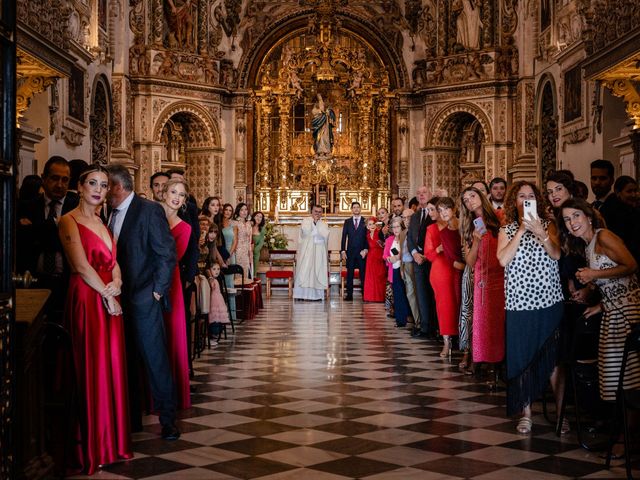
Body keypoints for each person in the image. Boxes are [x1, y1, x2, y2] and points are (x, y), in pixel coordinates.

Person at [59, 165, 132, 474]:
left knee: (111, 366)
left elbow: (114, 263)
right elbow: (80, 266)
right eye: (93, 183)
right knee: (91, 367)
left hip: (108, 300)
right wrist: (108, 294)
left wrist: (118, 283)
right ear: (80, 186)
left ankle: (111, 443)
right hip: (88, 299)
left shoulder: (104, 222)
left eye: (104, 185)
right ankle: (91, 444)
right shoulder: (68, 220)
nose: (99, 189)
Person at [106, 164, 179, 441]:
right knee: (126, 359)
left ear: (118, 186)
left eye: (106, 185)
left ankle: (168, 419)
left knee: (154, 359)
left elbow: (165, 253)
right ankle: (131, 416)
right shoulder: (106, 212)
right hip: (116, 298)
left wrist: (157, 292)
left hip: (144, 297)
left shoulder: (148, 210)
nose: (102, 191)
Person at [497, 181, 564, 434]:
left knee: (554, 360)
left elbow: (556, 254)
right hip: (519, 302)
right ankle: (526, 413)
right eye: (521, 196)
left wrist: (540, 231)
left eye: (531, 196)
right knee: (522, 356)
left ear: (538, 200)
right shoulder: (507, 229)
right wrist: (522, 231)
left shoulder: (549, 225)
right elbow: (503, 259)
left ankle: (559, 415)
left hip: (548, 300)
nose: (526, 199)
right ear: (514, 201)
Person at [558, 198, 640, 404]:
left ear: (588, 216)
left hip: (628, 312)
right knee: (615, 378)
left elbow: (631, 266)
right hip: (611, 312)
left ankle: (627, 434)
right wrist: (599, 305)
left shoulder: (603, 235)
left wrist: (593, 275)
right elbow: (612, 282)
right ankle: (622, 431)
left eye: (576, 216)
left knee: (629, 378)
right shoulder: (587, 246)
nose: (572, 222)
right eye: (567, 219)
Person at [16, 156, 79, 311]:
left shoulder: (77, 209)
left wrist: (36, 229)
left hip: (67, 283)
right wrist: (55, 225)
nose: (60, 185)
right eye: (55, 178)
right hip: (33, 280)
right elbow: (22, 241)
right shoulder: (26, 207)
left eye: (65, 180)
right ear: (44, 178)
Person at [460, 186, 505, 378]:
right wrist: (476, 241)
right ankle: (480, 359)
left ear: (481, 196)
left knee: (497, 321)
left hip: (501, 276)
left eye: (472, 195)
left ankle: (497, 362)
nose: (470, 200)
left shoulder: (499, 216)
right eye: (466, 200)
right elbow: (470, 262)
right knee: (480, 321)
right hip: (481, 278)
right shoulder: (470, 226)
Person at [159, 178, 192, 410]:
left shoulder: (185, 228)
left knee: (171, 335)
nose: (176, 197)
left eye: (181, 195)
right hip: (142, 281)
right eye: (173, 192)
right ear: (163, 193)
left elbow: (172, 258)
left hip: (171, 284)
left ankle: (170, 395)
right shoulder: (150, 215)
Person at [424, 197, 462, 357]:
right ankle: (447, 342)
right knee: (445, 306)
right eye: (438, 210)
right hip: (441, 271)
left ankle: (464, 341)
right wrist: (439, 249)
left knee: (461, 303)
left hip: (460, 267)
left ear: (453, 209)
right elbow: (428, 255)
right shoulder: (432, 229)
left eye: (443, 209)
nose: (440, 213)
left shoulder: (461, 225)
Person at [406, 186, 437, 338]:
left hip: (433, 259)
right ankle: (425, 327)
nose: (421, 195)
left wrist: (427, 254)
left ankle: (436, 328)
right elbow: (410, 238)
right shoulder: (415, 216)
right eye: (418, 193)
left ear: (430, 194)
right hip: (417, 260)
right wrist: (415, 254)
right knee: (421, 293)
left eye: (424, 192)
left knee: (433, 293)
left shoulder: (435, 213)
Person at [599, 176, 640, 265]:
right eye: (629, 191)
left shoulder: (634, 208)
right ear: (618, 193)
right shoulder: (611, 211)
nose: (634, 195)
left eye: (636, 191)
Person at [293, 205, 329, 301]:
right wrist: (314, 224)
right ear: (311, 211)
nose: (317, 213)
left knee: (317, 272)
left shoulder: (323, 224)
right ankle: (301, 295)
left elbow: (325, 235)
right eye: (315, 211)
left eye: (319, 212)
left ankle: (317, 296)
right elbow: (305, 232)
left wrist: (317, 226)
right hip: (307, 252)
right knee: (304, 271)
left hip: (318, 252)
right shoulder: (306, 221)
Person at [383, 217, 411, 327]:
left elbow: (407, 252)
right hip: (394, 269)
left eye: (397, 226)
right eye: (393, 227)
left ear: (402, 227)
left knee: (407, 293)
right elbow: (385, 254)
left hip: (405, 269)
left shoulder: (406, 237)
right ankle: (400, 320)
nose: (395, 229)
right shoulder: (389, 240)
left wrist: (398, 257)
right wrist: (389, 259)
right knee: (398, 295)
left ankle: (409, 316)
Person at [340, 201, 368, 300]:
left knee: (363, 274)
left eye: (358, 207)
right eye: (354, 207)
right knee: (350, 274)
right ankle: (349, 295)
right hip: (350, 252)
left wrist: (366, 249)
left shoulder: (365, 221)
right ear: (351, 209)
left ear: (360, 209)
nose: (356, 209)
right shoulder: (347, 221)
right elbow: (344, 237)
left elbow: (367, 237)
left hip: (361, 252)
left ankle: (365, 294)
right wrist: (343, 250)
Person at [399, 208, 420, 328]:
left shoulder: (418, 231)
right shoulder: (403, 233)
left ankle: (422, 323)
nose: (406, 220)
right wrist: (402, 268)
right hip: (406, 265)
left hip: (415, 265)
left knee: (418, 294)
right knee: (410, 294)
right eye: (404, 218)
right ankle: (417, 322)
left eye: (409, 217)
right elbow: (402, 252)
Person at [221, 203, 238, 319]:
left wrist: (228, 255)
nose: (227, 212)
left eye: (230, 210)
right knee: (220, 284)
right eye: (226, 210)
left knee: (229, 284)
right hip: (219, 253)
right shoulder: (218, 224)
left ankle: (232, 314)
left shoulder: (234, 225)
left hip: (230, 255)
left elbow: (235, 242)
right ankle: (221, 313)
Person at [363, 217, 386, 302]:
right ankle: (370, 297)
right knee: (371, 278)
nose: (372, 226)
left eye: (373, 224)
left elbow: (384, 244)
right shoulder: (367, 236)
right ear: (367, 226)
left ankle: (380, 297)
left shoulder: (379, 233)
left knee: (380, 276)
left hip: (379, 256)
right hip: (370, 257)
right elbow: (366, 246)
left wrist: (382, 244)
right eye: (369, 224)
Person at [206, 261, 231, 336]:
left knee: (218, 316)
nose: (217, 271)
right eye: (214, 269)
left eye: (218, 269)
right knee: (214, 315)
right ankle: (214, 331)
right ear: (209, 270)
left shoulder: (216, 280)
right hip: (214, 301)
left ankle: (218, 330)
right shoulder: (212, 280)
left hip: (218, 300)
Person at [233, 202, 253, 281]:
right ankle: (238, 290)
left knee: (245, 270)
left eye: (246, 210)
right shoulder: (235, 223)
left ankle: (245, 290)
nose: (244, 212)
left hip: (246, 251)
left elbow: (250, 239)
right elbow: (234, 238)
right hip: (238, 250)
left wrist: (250, 251)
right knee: (238, 270)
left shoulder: (248, 223)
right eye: (242, 210)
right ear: (238, 211)